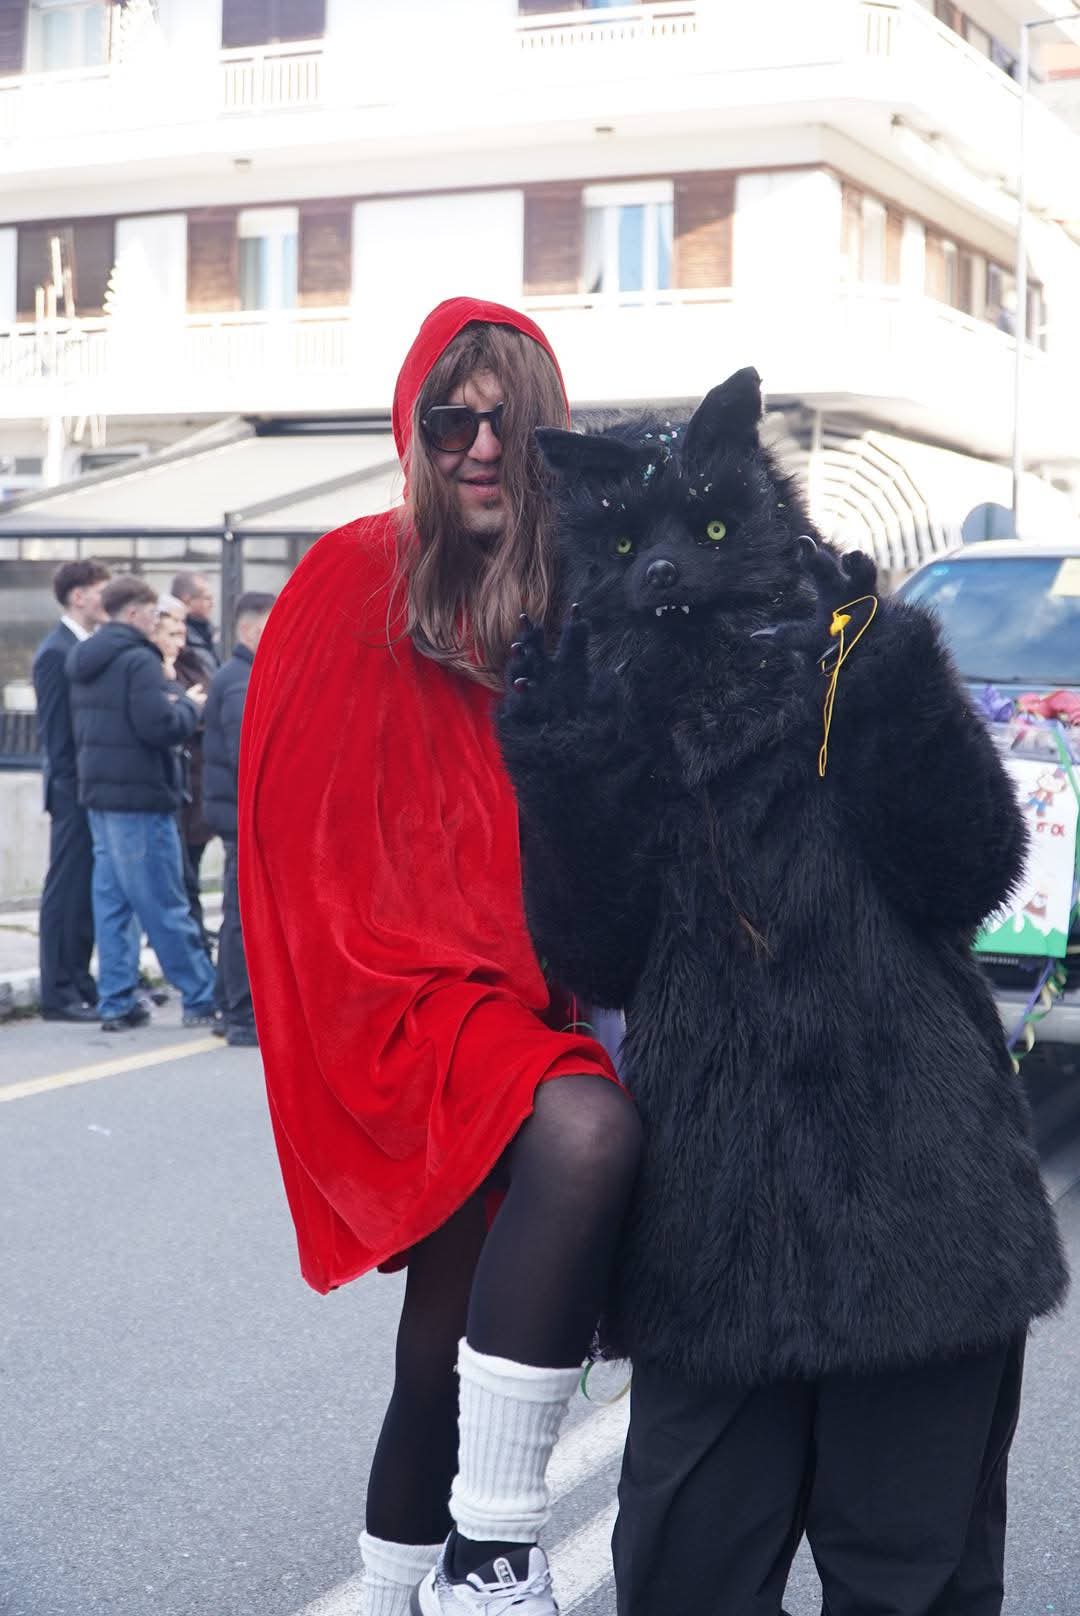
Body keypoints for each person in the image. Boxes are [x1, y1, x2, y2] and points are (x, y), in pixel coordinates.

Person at [238, 298, 643, 1616]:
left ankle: (396, 1592)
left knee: (440, 1349)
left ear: (547, 433)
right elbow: (294, 844)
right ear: (413, 431)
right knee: (586, 1129)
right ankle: (496, 1552)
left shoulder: (579, 593)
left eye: (506, 421)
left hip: (535, 994)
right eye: (450, 418)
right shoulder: (350, 575)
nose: (479, 445)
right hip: (397, 996)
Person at [67, 574, 219, 1033]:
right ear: (133, 613)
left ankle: (116, 1001)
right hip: (142, 796)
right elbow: (160, 727)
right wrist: (189, 705)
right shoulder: (139, 660)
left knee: (113, 903)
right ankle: (201, 995)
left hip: (100, 796)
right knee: (163, 902)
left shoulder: (85, 657)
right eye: (153, 613)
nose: (157, 622)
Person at [32, 558, 111, 1022]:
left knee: (84, 892)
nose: (108, 599)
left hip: (88, 788)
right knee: (65, 891)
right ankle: (58, 992)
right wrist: (74, 791)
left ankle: (79, 982)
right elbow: (57, 734)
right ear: (78, 596)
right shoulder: (55, 652)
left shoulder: (82, 646)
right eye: (101, 590)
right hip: (72, 790)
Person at [202, 590, 276, 1047]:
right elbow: (247, 755)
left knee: (238, 910)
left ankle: (227, 1004)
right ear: (248, 631)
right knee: (241, 915)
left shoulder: (243, 676)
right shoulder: (240, 682)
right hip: (240, 815)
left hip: (235, 812)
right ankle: (240, 1013)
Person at [155, 594, 216, 958]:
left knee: (189, 872)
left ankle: (195, 947)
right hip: (169, 786)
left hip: (193, 782)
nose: (179, 642)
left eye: (181, 632)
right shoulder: (151, 671)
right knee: (177, 880)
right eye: (172, 633)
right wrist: (189, 705)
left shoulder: (190, 661)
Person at [171, 570, 220, 681]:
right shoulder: (177, 639)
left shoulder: (210, 633)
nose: (212, 604)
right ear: (186, 600)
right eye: (207, 598)